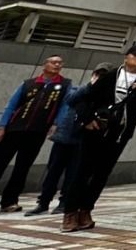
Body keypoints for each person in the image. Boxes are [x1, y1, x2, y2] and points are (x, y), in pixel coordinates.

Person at [63, 43, 136, 232]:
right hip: (96, 129)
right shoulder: (109, 75)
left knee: (101, 174)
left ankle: (86, 210)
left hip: (119, 133)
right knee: (83, 171)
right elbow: (86, 98)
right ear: (127, 56)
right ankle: (70, 212)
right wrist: (86, 120)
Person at [0, 55, 71, 216]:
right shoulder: (28, 84)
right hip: (14, 129)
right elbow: (11, 106)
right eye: (54, 62)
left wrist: (55, 124)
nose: (57, 65)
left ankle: (10, 201)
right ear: (44, 65)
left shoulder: (65, 85)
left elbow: (64, 107)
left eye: (60, 63)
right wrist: (1, 127)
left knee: (22, 168)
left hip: (37, 132)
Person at [25, 62, 112, 217]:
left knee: (73, 174)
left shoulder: (106, 97)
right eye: (98, 74)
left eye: (104, 76)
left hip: (82, 140)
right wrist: (90, 86)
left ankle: (64, 202)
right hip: (64, 137)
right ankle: (43, 202)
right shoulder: (78, 89)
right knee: (53, 171)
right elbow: (70, 100)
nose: (99, 78)